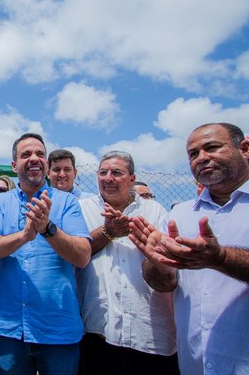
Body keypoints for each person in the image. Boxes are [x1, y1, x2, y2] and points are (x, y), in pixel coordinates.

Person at [129, 123, 249, 374]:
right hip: (195, 364)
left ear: (244, 149)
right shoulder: (180, 213)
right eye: (193, 154)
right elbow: (161, 283)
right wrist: (159, 265)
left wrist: (222, 259)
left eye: (212, 147)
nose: (202, 158)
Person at [0, 133, 91, 375]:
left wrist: (48, 230)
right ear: (13, 165)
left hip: (58, 328)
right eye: (26, 154)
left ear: (47, 164)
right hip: (9, 327)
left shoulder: (67, 203)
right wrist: (24, 236)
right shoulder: (0, 203)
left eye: (40, 154)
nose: (34, 158)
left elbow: (82, 256)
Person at [76, 151, 178, 375]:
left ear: (132, 179)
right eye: (103, 172)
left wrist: (154, 252)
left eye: (117, 172)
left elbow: (167, 267)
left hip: (147, 333)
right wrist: (107, 232)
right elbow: (74, 253)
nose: (108, 178)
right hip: (97, 329)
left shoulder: (154, 212)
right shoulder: (83, 209)